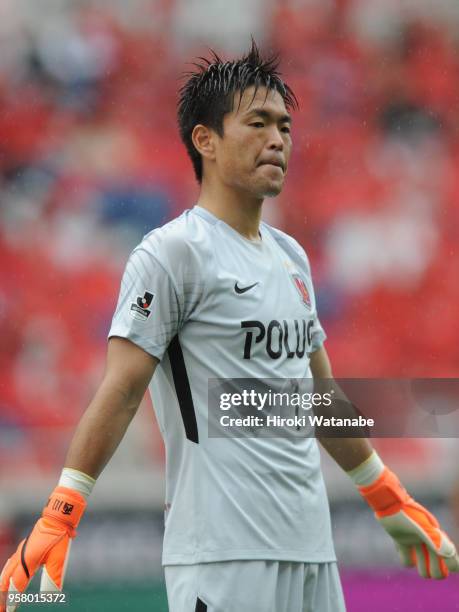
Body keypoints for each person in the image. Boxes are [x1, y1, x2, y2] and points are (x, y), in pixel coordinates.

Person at [1, 41, 458, 612]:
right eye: (258, 123)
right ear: (205, 140)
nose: (278, 139)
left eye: (285, 126)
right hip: (222, 556)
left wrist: (385, 493)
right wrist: (63, 509)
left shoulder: (292, 258)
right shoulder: (171, 254)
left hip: (313, 552)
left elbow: (319, 397)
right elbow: (121, 390)